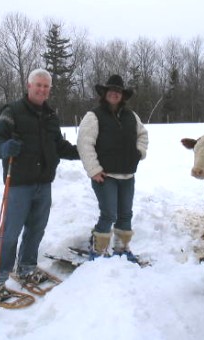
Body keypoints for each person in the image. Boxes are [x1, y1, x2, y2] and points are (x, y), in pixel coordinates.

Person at [0, 68, 79, 300]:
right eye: (38, 85)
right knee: (9, 233)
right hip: (18, 183)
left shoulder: (50, 116)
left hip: (43, 183)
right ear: (29, 86)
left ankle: (27, 268)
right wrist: (4, 148)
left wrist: (84, 153)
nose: (42, 89)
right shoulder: (13, 111)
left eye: (46, 86)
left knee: (36, 230)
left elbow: (58, 146)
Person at [77, 74, 148, 261]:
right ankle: (98, 249)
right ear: (105, 93)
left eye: (118, 91)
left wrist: (139, 152)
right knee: (109, 213)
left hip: (127, 176)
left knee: (125, 214)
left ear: (122, 95)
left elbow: (143, 135)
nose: (115, 94)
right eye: (111, 91)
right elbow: (84, 143)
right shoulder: (93, 116)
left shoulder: (131, 116)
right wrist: (94, 170)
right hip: (105, 176)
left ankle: (121, 249)